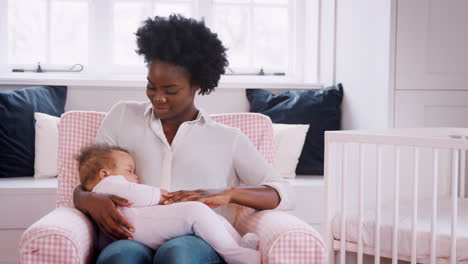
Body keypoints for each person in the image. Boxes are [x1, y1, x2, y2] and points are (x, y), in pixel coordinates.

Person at [73, 14, 294, 264]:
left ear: (197, 85)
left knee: (178, 255)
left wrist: (229, 193)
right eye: (151, 86)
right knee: (120, 258)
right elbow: (88, 180)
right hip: (132, 234)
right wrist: (91, 200)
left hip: (195, 238)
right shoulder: (122, 116)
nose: (158, 98)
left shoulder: (227, 139)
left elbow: (281, 192)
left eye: (171, 90)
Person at [76, 144, 261, 264]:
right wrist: (159, 194)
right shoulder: (107, 186)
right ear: (104, 174)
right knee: (196, 211)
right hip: (137, 232)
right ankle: (237, 255)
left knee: (205, 216)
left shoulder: (106, 189)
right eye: (130, 170)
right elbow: (134, 195)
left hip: (143, 231)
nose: (136, 176)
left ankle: (239, 244)